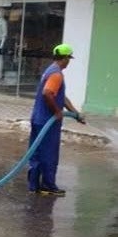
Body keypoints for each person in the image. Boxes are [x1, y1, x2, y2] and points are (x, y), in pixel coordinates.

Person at [27, 43, 86, 196]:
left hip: (38, 118)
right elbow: (48, 93)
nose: (69, 62)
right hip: (48, 121)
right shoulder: (56, 74)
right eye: (69, 59)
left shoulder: (50, 70)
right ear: (65, 58)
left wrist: (75, 113)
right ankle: (48, 185)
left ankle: (34, 186)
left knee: (36, 153)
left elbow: (61, 96)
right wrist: (57, 111)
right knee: (48, 154)